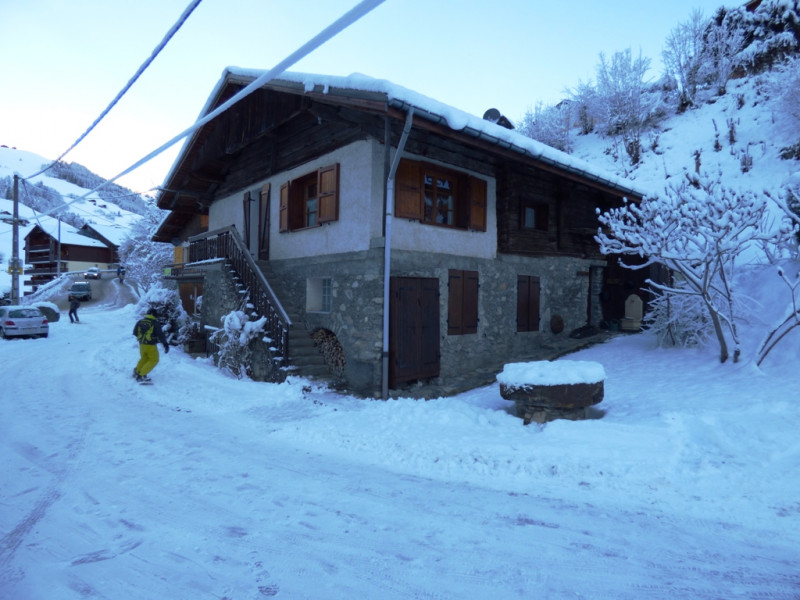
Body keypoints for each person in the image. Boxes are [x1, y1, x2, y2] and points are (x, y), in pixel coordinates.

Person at [132, 307, 169, 383]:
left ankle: (137, 371)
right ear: (154, 315)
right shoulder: (155, 323)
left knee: (144, 358)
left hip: (141, 344)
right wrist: (165, 344)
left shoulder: (140, 321)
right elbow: (160, 335)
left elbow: (135, 332)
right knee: (154, 360)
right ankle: (141, 375)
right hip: (151, 345)